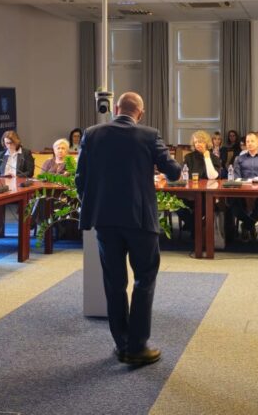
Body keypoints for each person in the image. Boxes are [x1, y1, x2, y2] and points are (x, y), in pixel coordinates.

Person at [75, 92, 181, 366]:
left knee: (114, 283)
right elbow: (173, 172)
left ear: (116, 108)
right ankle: (137, 346)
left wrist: (94, 206)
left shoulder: (92, 134)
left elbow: (80, 178)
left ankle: (121, 343)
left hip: (105, 221)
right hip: (140, 220)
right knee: (144, 280)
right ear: (140, 113)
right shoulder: (149, 135)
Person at [176, 131, 223, 236]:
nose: (198, 144)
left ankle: (193, 229)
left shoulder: (214, 158)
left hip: (206, 194)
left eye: (201, 142)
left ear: (206, 143)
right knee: (176, 204)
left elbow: (212, 176)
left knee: (205, 205)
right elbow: (184, 176)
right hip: (190, 193)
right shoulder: (188, 157)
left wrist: (207, 157)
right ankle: (196, 227)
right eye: (196, 142)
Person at [229, 132, 258, 241]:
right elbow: (237, 177)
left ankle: (246, 225)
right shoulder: (239, 159)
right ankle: (250, 225)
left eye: (252, 141)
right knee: (232, 202)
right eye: (247, 141)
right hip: (242, 191)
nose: (249, 143)